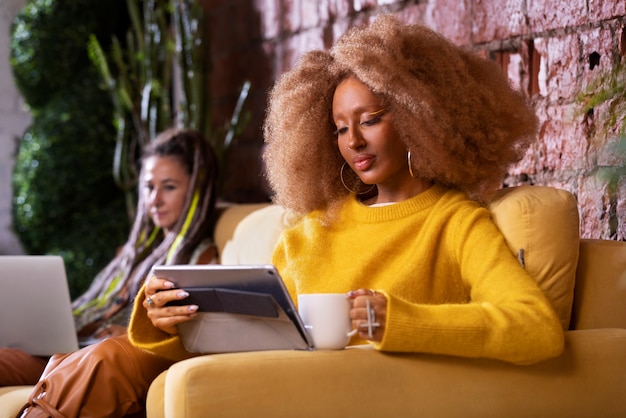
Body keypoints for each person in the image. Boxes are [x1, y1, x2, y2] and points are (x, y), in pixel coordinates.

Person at [130, 15, 563, 365]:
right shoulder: (310, 231)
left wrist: (401, 322)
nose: (352, 141)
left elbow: (537, 329)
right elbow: (256, 347)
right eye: (340, 128)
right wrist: (168, 322)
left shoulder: (454, 222)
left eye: (370, 120)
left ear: (421, 117)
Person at [16, 127, 219, 416]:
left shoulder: (201, 258)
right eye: (149, 187)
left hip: (97, 352)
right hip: (74, 345)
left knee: (100, 358)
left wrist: (129, 329)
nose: (155, 199)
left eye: (169, 186)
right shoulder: (135, 251)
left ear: (196, 190)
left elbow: (189, 329)